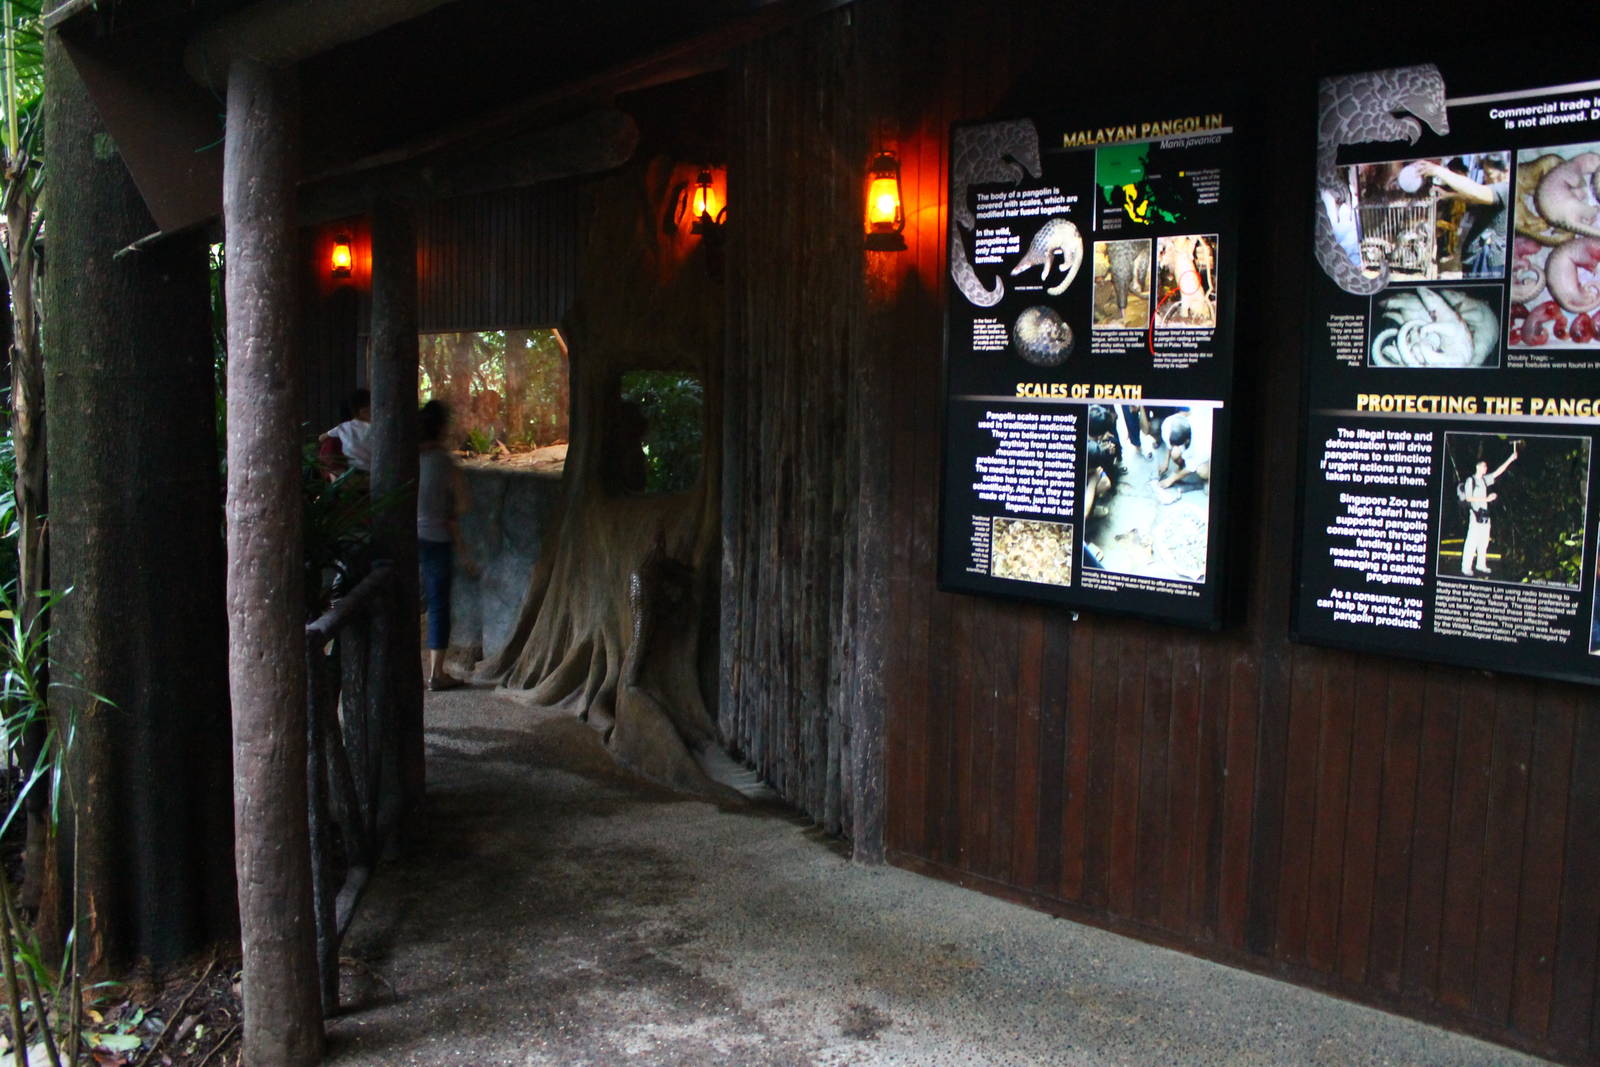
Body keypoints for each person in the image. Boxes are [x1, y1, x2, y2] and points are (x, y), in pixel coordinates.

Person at [418, 399, 471, 691]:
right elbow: (462, 505)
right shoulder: (445, 462)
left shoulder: (404, 458)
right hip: (437, 539)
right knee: (438, 606)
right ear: (442, 428)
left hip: (407, 539)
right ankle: (436, 674)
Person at [1417, 157, 1509, 277]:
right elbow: (1473, 199)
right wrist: (1448, 195)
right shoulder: (1495, 188)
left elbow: (1477, 192)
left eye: (1489, 174)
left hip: (1488, 260)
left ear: (1506, 171)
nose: (1485, 178)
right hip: (1476, 255)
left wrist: (1438, 170)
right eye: (1484, 174)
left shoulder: (1505, 189)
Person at [1460, 443, 1518, 577]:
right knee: (1471, 542)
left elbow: (1498, 472)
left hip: (1485, 516)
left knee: (1484, 542)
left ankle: (1481, 564)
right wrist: (1486, 499)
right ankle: (1466, 567)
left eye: (1486, 466)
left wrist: (1510, 459)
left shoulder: (1485, 480)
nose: (1486, 468)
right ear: (1478, 467)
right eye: (1484, 466)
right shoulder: (1470, 480)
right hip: (1475, 516)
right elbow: (1468, 498)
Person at [1152, 409, 1211, 503]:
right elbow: (1169, 444)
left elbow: (1191, 467)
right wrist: (1166, 463)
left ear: (1186, 440)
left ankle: (1209, 478)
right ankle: (1182, 466)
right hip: (1191, 443)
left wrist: (1171, 479)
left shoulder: (1201, 445)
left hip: (1209, 452)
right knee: (1175, 453)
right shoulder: (1169, 424)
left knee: (1202, 471)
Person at [319, 388, 373, 479]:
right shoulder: (376, 428)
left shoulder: (343, 427)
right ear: (364, 411)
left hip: (352, 473)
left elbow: (321, 438)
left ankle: (335, 479)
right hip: (373, 471)